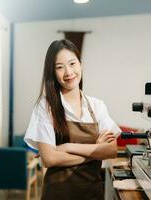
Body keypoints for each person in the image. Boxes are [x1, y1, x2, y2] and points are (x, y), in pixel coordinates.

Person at [24, 39, 121, 200]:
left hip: (92, 193)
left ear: (80, 64)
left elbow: (111, 150)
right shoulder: (45, 106)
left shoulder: (97, 106)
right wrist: (95, 151)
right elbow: (49, 158)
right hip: (58, 194)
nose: (68, 72)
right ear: (52, 73)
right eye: (59, 67)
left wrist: (66, 146)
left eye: (72, 63)